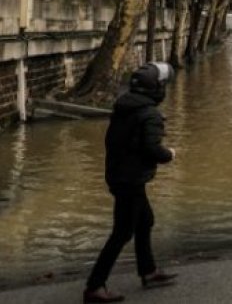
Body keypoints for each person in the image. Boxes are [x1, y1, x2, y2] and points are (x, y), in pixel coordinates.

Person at [83, 62, 178, 303]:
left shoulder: (123, 108)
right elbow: (152, 149)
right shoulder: (151, 115)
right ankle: (95, 286)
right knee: (122, 232)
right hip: (132, 180)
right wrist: (170, 154)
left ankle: (148, 271)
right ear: (156, 88)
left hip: (118, 175)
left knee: (145, 221)